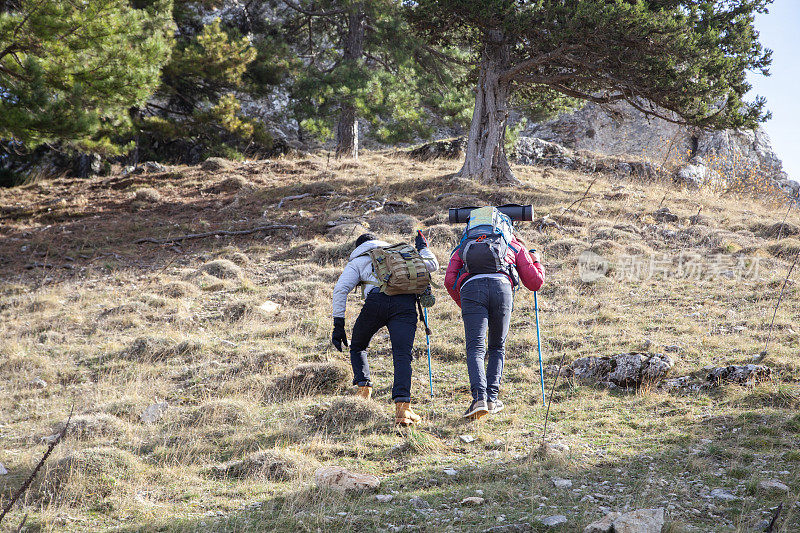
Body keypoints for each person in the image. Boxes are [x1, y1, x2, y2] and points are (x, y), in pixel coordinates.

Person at [331, 232, 439, 426]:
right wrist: (423, 247)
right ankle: (403, 410)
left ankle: (363, 391)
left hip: (376, 303)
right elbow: (433, 265)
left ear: (359, 246)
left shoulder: (359, 259)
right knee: (402, 355)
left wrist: (338, 323)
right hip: (406, 305)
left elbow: (340, 289)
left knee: (358, 346)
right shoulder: (402, 255)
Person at [444, 218, 544, 420]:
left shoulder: (464, 245)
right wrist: (536, 260)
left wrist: (465, 304)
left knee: (475, 348)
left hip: (471, 290)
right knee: (497, 347)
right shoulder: (513, 244)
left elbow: (449, 280)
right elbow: (535, 282)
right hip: (502, 289)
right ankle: (491, 398)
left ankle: (479, 399)